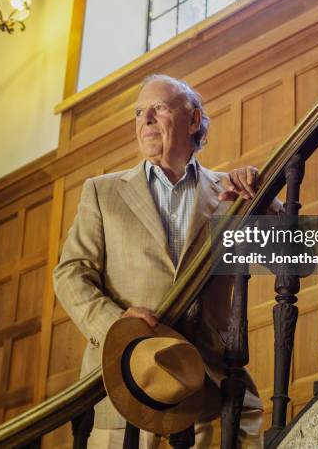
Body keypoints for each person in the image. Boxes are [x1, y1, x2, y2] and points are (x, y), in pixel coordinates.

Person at [54, 74, 283, 448]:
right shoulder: (102, 192)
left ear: (193, 120)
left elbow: (299, 260)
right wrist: (116, 327)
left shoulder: (232, 192)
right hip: (126, 384)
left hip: (210, 387)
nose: (145, 119)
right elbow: (70, 273)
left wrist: (265, 200)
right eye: (139, 112)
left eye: (158, 108)